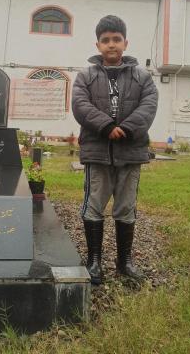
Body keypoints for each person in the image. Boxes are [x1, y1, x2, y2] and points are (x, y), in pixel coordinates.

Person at [72, 15, 158, 284]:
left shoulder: (143, 77)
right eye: (106, 40)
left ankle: (125, 261)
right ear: (98, 44)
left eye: (117, 39)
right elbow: (80, 104)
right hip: (98, 151)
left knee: (126, 206)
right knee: (94, 204)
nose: (112, 45)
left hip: (130, 152)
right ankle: (94, 259)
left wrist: (128, 128)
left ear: (125, 43)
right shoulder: (85, 76)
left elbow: (149, 105)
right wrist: (107, 126)